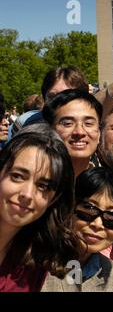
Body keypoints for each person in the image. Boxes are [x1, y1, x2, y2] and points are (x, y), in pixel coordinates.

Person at [0, 124, 79, 291]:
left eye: (43, 186)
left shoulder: (39, 262)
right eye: (17, 176)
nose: (28, 194)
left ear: (53, 199)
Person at [41, 167, 113, 291]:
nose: (97, 224)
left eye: (112, 217)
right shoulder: (37, 260)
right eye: (88, 209)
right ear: (70, 207)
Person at [42, 89, 102, 177]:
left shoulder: (109, 186)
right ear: (50, 130)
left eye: (88, 123)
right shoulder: (34, 183)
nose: (79, 132)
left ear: (99, 133)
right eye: (67, 124)